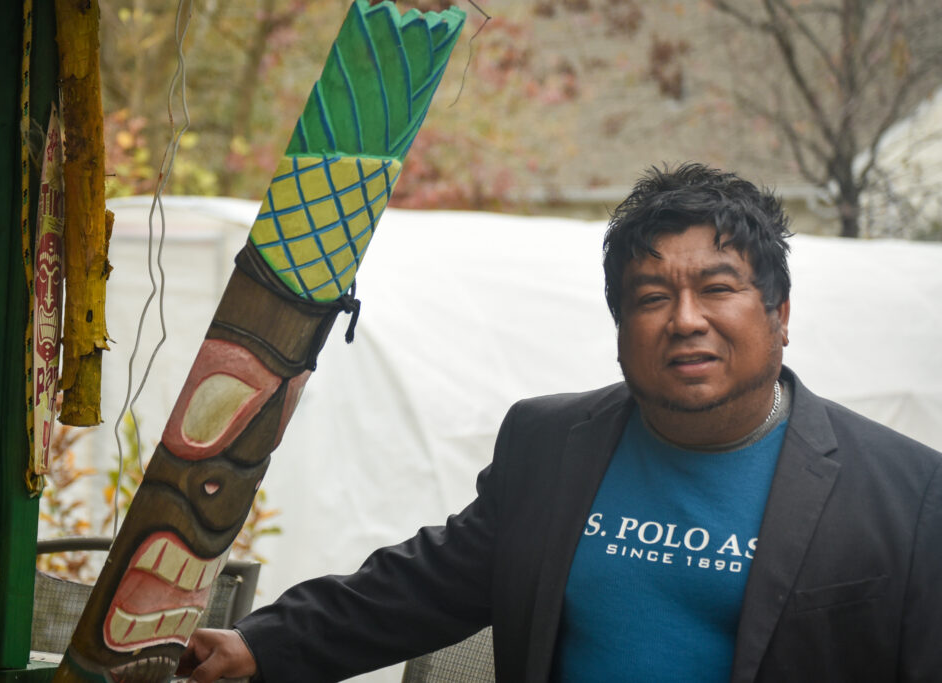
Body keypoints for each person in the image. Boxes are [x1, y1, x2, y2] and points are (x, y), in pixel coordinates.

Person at [177, 163, 942, 682]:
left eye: (718, 289)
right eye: (650, 297)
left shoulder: (904, 494)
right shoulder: (551, 445)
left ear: (778, 315)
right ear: (618, 326)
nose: (685, 320)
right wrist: (259, 644)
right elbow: (428, 583)